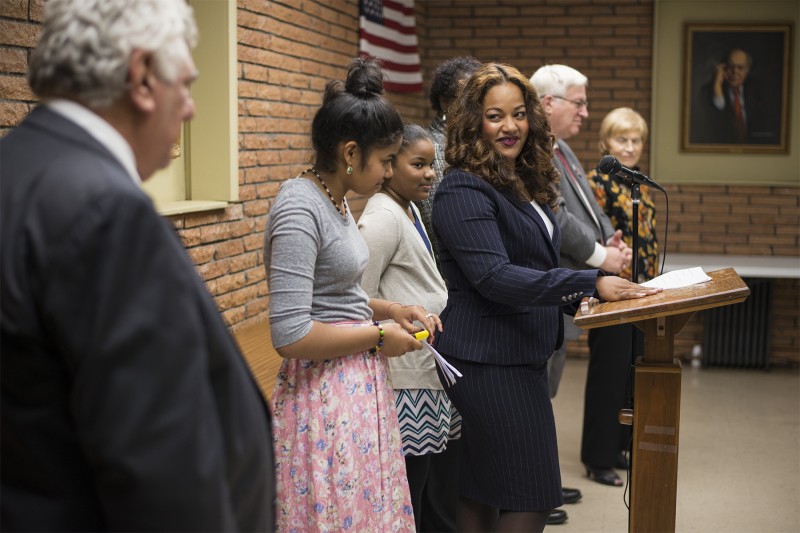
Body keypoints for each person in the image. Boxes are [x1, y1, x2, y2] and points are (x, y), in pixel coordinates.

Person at [0, 0, 275, 530]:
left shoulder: (20, 169)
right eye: (187, 84)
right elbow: (158, 469)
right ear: (143, 76)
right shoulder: (106, 211)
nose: (192, 108)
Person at [430, 62, 661, 532]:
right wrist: (585, 282)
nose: (510, 126)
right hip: (488, 362)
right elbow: (494, 277)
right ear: (473, 120)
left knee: (482, 490)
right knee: (533, 496)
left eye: (518, 114)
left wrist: (579, 301)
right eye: (494, 116)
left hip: (519, 354)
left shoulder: (518, 181)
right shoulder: (461, 187)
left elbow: (533, 265)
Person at [265, 57, 440, 532]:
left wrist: (391, 310)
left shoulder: (334, 198)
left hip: (355, 388)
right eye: (385, 160)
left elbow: (337, 295)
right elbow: (291, 332)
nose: (388, 173)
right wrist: (378, 337)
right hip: (322, 399)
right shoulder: (299, 207)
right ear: (349, 152)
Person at [358, 123, 451, 532]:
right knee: (406, 493)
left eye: (432, 165)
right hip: (402, 381)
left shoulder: (407, 209)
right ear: (389, 166)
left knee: (426, 486)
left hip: (422, 374)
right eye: (418, 164)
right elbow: (353, 298)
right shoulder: (381, 218)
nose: (430, 173)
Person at [529, 64, 631, 401]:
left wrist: (610, 239)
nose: (585, 113)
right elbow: (555, 212)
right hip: (549, 287)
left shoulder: (562, 147)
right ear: (547, 103)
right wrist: (603, 256)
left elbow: (588, 203)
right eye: (578, 103)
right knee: (537, 391)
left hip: (570, 287)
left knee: (549, 389)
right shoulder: (535, 150)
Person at [582, 107, 659, 486]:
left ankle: (618, 446)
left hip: (643, 292)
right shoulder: (596, 182)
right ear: (605, 143)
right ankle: (597, 458)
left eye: (635, 140)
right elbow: (596, 236)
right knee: (608, 375)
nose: (629, 148)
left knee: (632, 373)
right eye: (621, 140)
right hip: (611, 291)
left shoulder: (639, 184)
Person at [417, 55, 482, 269]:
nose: (478, 107)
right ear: (445, 103)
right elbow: (434, 225)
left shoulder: (473, 146)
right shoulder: (432, 150)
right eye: (468, 98)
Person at [691, 48, 777, 144]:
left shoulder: (760, 89)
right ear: (722, 68)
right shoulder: (707, 91)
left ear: (747, 70)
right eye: (730, 66)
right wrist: (717, 87)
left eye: (740, 67)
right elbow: (712, 128)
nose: (734, 71)